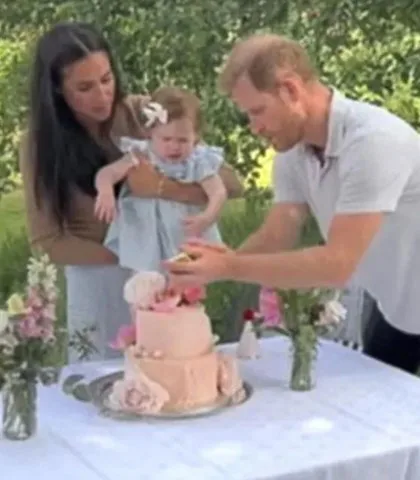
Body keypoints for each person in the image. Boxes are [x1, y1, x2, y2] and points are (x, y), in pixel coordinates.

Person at [166, 33, 420, 374]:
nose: (254, 127)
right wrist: (211, 265)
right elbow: (276, 236)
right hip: (398, 305)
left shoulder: (373, 142)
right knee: (381, 410)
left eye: (258, 111)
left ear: (291, 89)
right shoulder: (293, 154)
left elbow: (337, 264)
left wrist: (228, 267)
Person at [19, 22, 243, 363]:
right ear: (58, 90)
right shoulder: (40, 145)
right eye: (85, 87)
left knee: (169, 370)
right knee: (101, 380)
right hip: (97, 280)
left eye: (107, 79)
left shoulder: (143, 114)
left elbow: (230, 182)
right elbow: (49, 242)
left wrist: (163, 188)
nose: (102, 95)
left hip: (162, 276)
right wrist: (134, 258)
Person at [94, 86, 226, 273]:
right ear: (150, 133)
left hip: (183, 235)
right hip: (145, 237)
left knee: (186, 284)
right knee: (145, 286)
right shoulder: (140, 154)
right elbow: (107, 173)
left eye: (182, 140)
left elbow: (218, 192)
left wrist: (207, 217)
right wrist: (105, 191)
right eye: (166, 139)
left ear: (195, 137)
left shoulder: (197, 160)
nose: (174, 147)